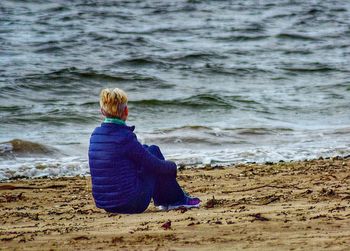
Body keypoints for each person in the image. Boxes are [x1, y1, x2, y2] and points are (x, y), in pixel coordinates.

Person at [88, 88, 200, 214]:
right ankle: (176, 200)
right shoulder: (125, 137)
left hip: (106, 204)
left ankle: (170, 200)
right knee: (153, 150)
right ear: (126, 111)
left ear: (102, 111)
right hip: (131, 203)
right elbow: (154, 165)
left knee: (147, 149)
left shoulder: (95, 134)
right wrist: (173, 167)